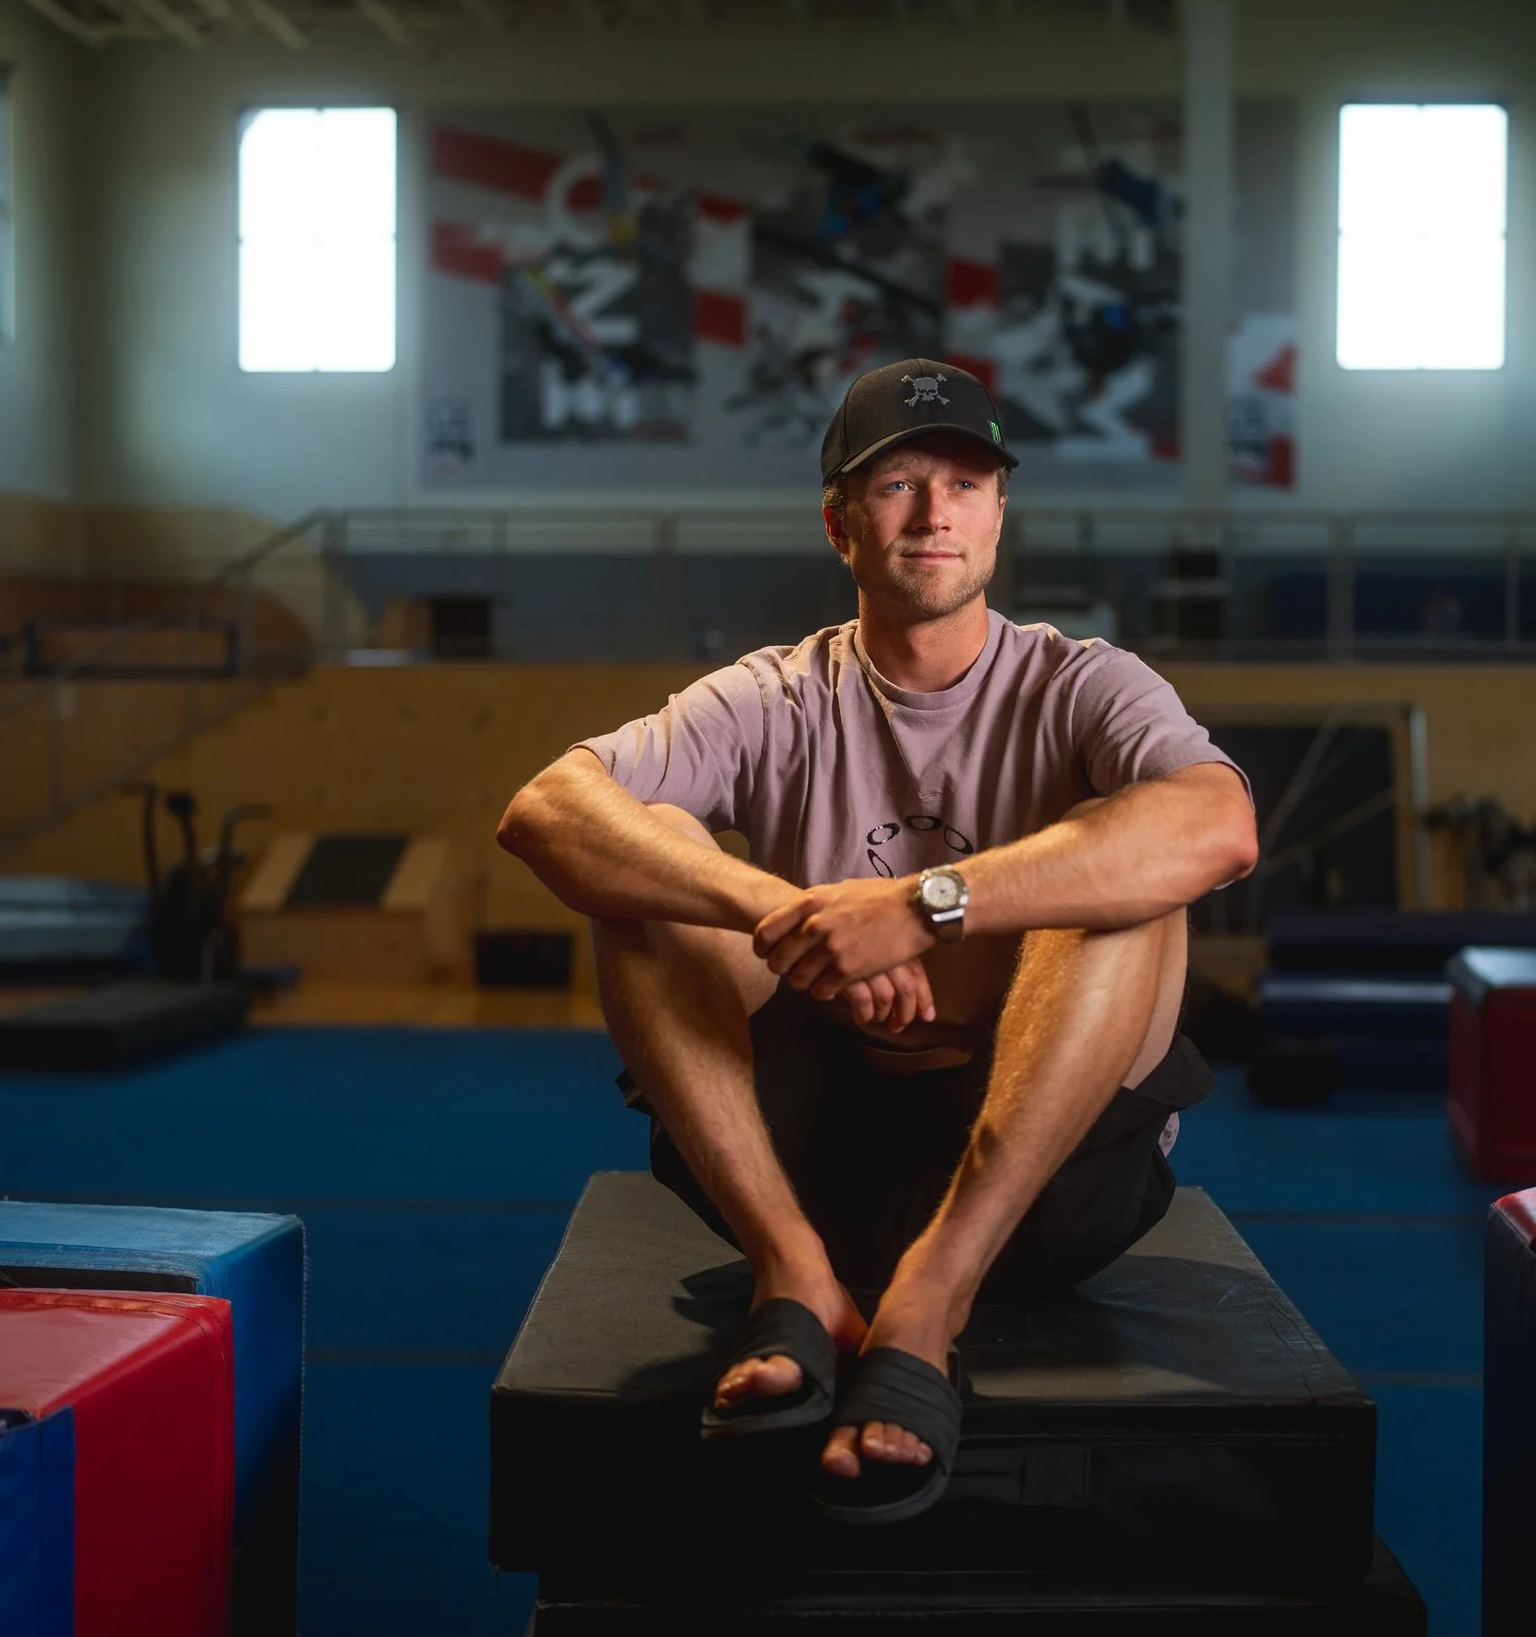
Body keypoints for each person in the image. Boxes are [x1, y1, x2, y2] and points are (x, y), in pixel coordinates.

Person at [496, 357, 1257, 1524]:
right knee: (639, 854)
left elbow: (1219, 822)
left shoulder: (1081, 681)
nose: (934, 510)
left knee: (1127, 864)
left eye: (964, 481)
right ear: (840, 521)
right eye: (898, 482)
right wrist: (778, 911)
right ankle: (794, 1274)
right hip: (813, 1154)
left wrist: (915, 904)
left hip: (1040, 1189)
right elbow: (547, 808)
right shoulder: (774, 693)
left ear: (999, 512)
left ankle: (929, 1298)